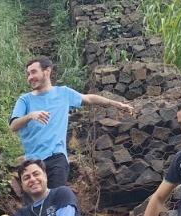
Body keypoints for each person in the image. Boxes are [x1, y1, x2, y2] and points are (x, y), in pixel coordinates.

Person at [9, 56, 136, 189]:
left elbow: (89, 98)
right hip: (32, 162)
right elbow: (13, 125)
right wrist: (30, 116)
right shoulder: (24, 100)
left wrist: (117, 104)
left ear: (47, 71)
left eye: (33, 72)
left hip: (56, 157)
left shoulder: (63, 93)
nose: (30, 77)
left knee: (56, 200)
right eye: (28, 74)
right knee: (37, 205)